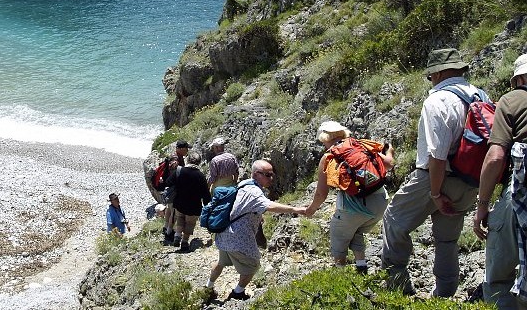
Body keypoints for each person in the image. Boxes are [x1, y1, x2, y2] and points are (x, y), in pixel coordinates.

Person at [381, 48, 485, 297]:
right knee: (447, 239)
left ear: (437, 73)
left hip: (434, 179)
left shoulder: (437, 101)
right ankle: (445, 294)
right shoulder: (481, 96)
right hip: (470, 179)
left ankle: (397, 290)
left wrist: (436, 193)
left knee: (394, 222)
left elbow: (436, 156)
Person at [205, 159, 306, 301]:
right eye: (267, 174)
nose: (271, 178)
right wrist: (296, 209)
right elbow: (269, 206)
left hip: (224, 233)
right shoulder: (254, 192)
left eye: (272, 174)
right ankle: (237, 293)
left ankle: (207, 288)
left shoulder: (243, 184)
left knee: (221, 262)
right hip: (237, 237)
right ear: (256, 174)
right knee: (253, 264)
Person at [304, 121, 395, 273]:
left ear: (324, 138)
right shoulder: (361, 145)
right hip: (381, 202)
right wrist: (390, 150)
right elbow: (389, 163)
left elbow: (321, 193)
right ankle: (361, 267)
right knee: (356, 231)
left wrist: (311, 209)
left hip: (355, 207)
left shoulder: (328, 157)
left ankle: (341, 276)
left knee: (338, 235)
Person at [474, 53, 527, 310]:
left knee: (499, 276)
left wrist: (482, 204)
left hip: (519, 189)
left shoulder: (512, 100)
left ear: (519, 78)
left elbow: (495, 157)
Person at [170, 150, 211, 251]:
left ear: (188, 160)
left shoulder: (179, 171)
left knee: (180, 217)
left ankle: (177, 235)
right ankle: (184, 241)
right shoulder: (201, 176)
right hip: (194, 206)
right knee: (190, 223)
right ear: (199, 162)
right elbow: (205, 193)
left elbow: (168, 182)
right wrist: (207, 204)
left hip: (180, 202)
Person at [161, 140, 190, 242]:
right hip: (174, 189)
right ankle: (169, 233)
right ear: (181, 149)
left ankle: (166, 227)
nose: (187, 151)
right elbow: (176, 173)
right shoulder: (176, 160)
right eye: (186, 149)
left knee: (169, 209)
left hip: (170, 188)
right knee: (174, 212)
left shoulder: (174, 156)